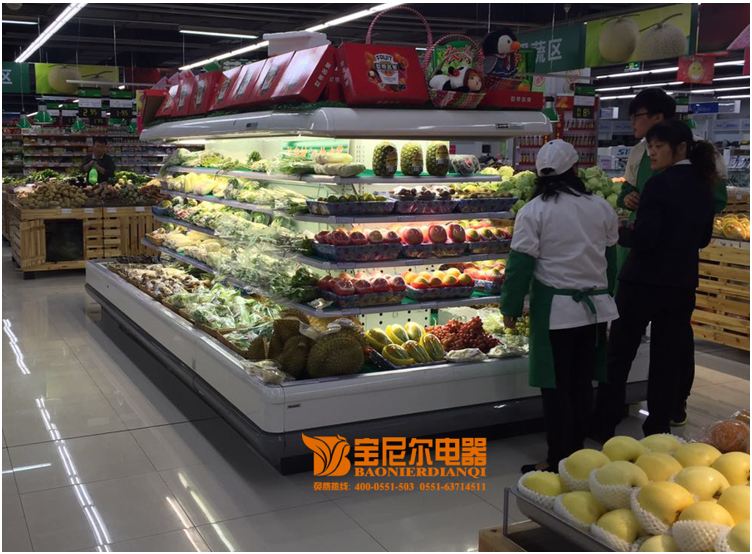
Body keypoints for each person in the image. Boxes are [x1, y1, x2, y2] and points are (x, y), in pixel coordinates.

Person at [499, 140, 619, 473]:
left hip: (555, 312)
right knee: (582, 383)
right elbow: (611, 260)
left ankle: (557, 459)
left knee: (556, 387)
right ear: (575, 170)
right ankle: (577, 454)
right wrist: (608, 295)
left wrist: (510, 307)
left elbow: (520, 265)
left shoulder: (534, 211)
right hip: (594, 310)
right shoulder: (601, 207)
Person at [593, 120, 718, 439]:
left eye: (659, 147)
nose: (652, 153)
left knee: (619, 354)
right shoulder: (705, 184)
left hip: (642, 282)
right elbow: (704, 238)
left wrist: (620, 233)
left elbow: (646, 238)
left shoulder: (659, 184)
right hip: (681, 284)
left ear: (681, 148)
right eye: (650, 147)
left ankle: (605, 423)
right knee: (667, 359)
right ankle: (658, 428)